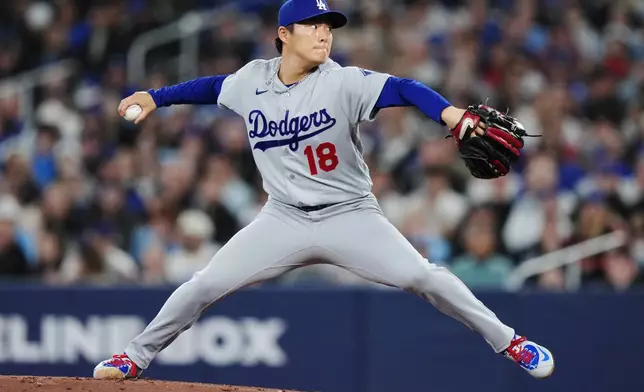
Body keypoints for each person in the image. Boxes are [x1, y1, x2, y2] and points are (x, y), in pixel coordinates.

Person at [93, 0, 554, 381]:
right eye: (311, 25)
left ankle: (511, 342)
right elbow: (211, 87)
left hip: (350, 215)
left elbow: (405, 88)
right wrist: (156, 97)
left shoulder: (344, 81)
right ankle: (134, 356)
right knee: (206, 284)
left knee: (423, 277)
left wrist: (450, 114)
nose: (323, 33)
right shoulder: (252, 80)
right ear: (283, 34)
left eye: (328, 25)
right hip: (283, 218)